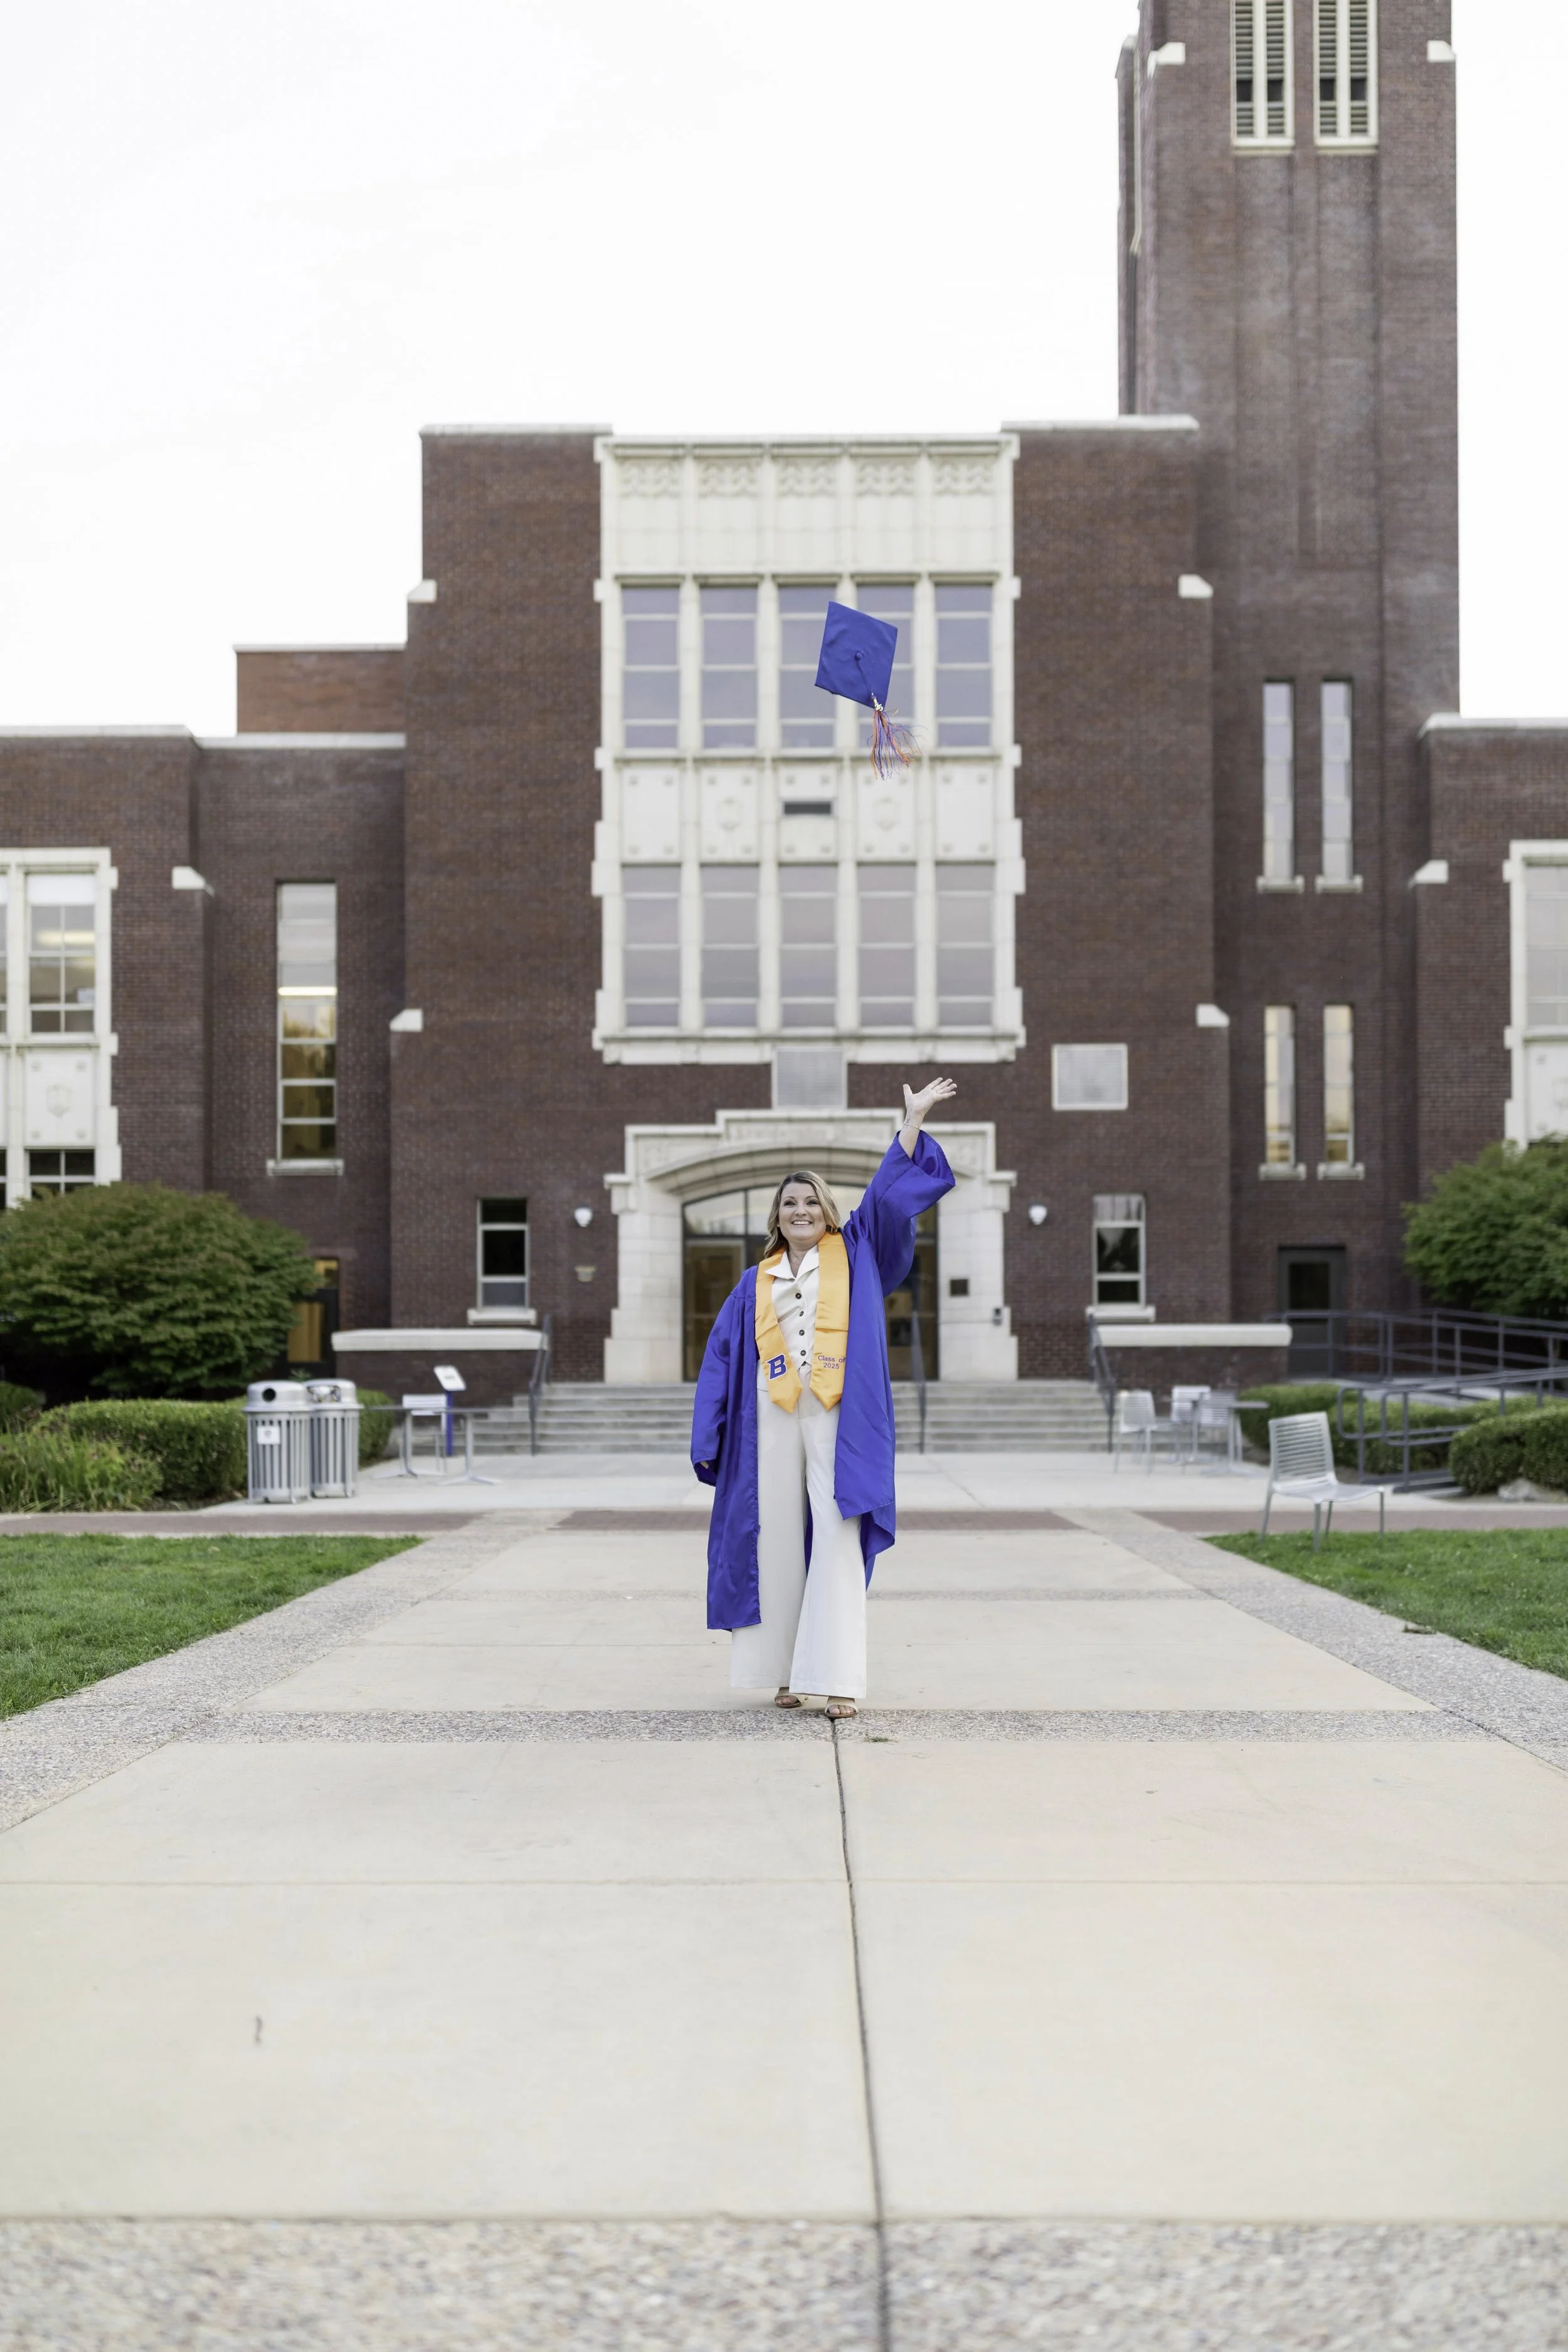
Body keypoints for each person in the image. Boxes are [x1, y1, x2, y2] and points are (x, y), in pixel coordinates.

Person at [691, 1076, 956, 1718]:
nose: (800, 1211)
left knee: (837, 1534)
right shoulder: (755, 1281)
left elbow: (890, 1199)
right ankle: (783, 1671)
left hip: (840, 1417)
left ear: (827, 1210)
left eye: (810, 1202)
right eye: (789, 1205)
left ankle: (836, 1677)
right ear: (775, 1218)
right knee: (773, 1537)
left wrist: (911, 1122)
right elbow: (723, 1358)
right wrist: (714, 1435)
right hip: (771, 1419)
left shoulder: (856, 1251)